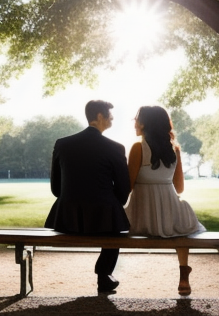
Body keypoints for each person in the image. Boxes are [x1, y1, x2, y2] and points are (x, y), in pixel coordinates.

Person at [45, 100, 131, 293]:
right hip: (105, 221)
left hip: (67, 220)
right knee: (116, 229)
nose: (112, 118)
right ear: (100, 116)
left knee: (114, 222)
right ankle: (104, 273)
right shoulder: (116, 148)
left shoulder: (62, 144)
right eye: (110, 115)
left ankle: (104, 274)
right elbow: (124, 189)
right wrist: (112, 205)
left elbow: (56, 188)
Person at [125, 105, 206, 296]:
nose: (134, 122)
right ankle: (183, 271)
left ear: (144, 123)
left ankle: (105, 274)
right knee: (181, 226)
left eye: (136, 118)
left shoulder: (138, 148)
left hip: (142, 217)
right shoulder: (174, 150)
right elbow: (179, 189)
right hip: (168, 213)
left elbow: (128, 185)